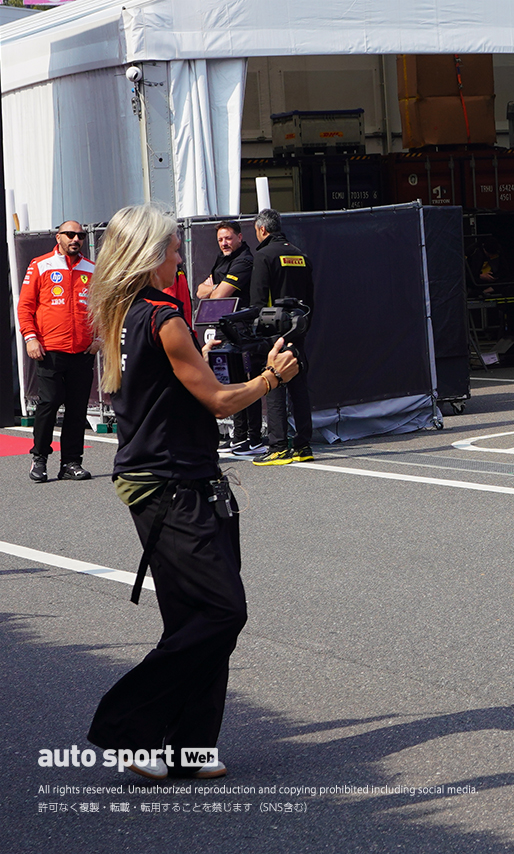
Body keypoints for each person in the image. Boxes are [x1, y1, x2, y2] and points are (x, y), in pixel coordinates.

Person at [85, 204, 299, 780]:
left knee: (191, 618)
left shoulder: (120, 312)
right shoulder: (163, 316)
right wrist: (271, 377)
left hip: (162, 477)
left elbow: (159, 389)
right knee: (224, 611)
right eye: (174, 249)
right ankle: (126, 727)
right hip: (175, 482)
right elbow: (221, 402)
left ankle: (190, 747)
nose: (180, 259)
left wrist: (198, 363)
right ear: (150, 255)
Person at [17, 220, 101, 483]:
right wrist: (31, 338)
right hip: (49, 349)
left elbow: (102, 307)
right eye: (70, 234)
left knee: (77, 408)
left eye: (80, 235)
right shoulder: (41, 265)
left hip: (82, 351)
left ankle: (71, 463)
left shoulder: (92, 269)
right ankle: (39, 457)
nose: (76, 239)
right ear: (58, 237)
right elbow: (25, 306)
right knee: (50, 402)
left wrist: (99, 338)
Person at [248, 208, 314, 466]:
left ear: (262, 229)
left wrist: (256, 331)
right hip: (299, 326)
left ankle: (277, 447)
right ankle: (303, 445)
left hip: (273, 329)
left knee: (273, 382)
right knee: (298, 385)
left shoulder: (263, 255)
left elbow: (257, 300)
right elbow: (310, 299)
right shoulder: (301, 255)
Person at [196, 221, 263, 456]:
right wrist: (214, 288)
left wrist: (213, 288)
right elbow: (200, 291)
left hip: (243, 331)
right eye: (220, 240)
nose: (224, 243)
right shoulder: (222, 259)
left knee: (246, 383)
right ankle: (239, 436)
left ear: (240, 237)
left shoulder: (244, 260)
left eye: (228, 238)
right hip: (224, 329)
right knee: (231, 383)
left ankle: (254, 439)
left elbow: (218, 295)